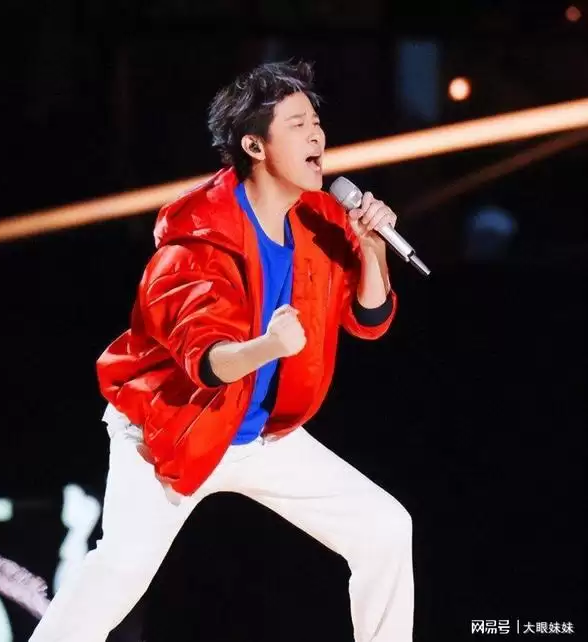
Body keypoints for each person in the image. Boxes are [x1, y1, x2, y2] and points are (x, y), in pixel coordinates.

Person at [29, 60, 414, 642]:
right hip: (173, 426)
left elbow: (369, 320)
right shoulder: (196, 235)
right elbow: (206, 361)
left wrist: (372, 249)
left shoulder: (320, 216)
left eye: (316, 122)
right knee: (119, 572)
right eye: (297, 125)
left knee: (384, 528)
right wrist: (269, 345)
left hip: (260, 433)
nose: (316, 135)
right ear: (254, 146)